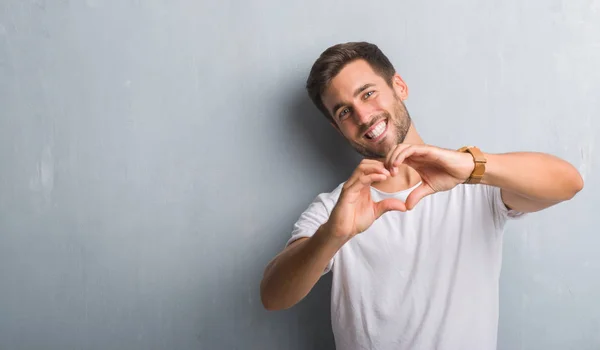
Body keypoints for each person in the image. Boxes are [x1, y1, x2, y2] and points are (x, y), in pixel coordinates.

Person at [259, 41, 584, 350]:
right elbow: (273, 296)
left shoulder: (474, 185)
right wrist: (333, 234)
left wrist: (471, 165)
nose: (363, 116)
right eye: (344, 112)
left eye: (368, 93)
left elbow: (569, 182)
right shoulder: (335, 208)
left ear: (399, 86)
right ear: (336, 128)